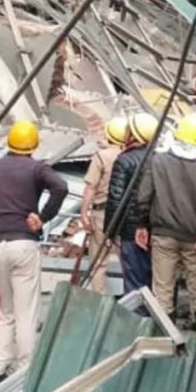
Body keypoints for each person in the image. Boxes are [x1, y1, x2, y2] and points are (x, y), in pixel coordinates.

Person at [0, 120, 68, 387]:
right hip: (23, 243)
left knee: (7, 310)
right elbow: (61, 187)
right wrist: (43, 218)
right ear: (33, 145)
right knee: (26, 311)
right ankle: (25, 371)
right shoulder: (35, 168)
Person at [135, 113, 196, 323]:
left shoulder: (158, 161)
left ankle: (164, 340)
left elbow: (144, 195)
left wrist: (142, 224)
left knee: (162, 291)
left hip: (163, 234)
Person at [105, 112, 159, 302]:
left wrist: (110, 232)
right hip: (156, 231)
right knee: (155, 283)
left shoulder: (124, 160)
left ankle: (136, 324)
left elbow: (115, 199)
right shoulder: (160, 159)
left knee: (134, 284)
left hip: (130, 231)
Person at [80, 117, 127, 293]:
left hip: (101, 214)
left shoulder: (101, 157)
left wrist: (84, 213)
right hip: (124, 215)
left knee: (99, 264)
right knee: (128, 262)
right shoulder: (129, 156)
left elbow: (90, 187)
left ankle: (100, 302)